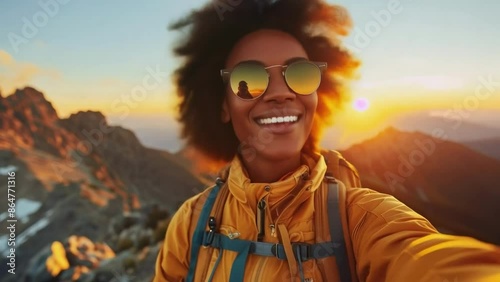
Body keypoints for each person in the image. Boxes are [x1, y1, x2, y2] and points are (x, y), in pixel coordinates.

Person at [154, 0, 500, 281]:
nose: (280, 93)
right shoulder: (191, 222)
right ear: (222, 106)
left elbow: (427, 259)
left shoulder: (358, 219)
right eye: (248, 78)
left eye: (300, 74)